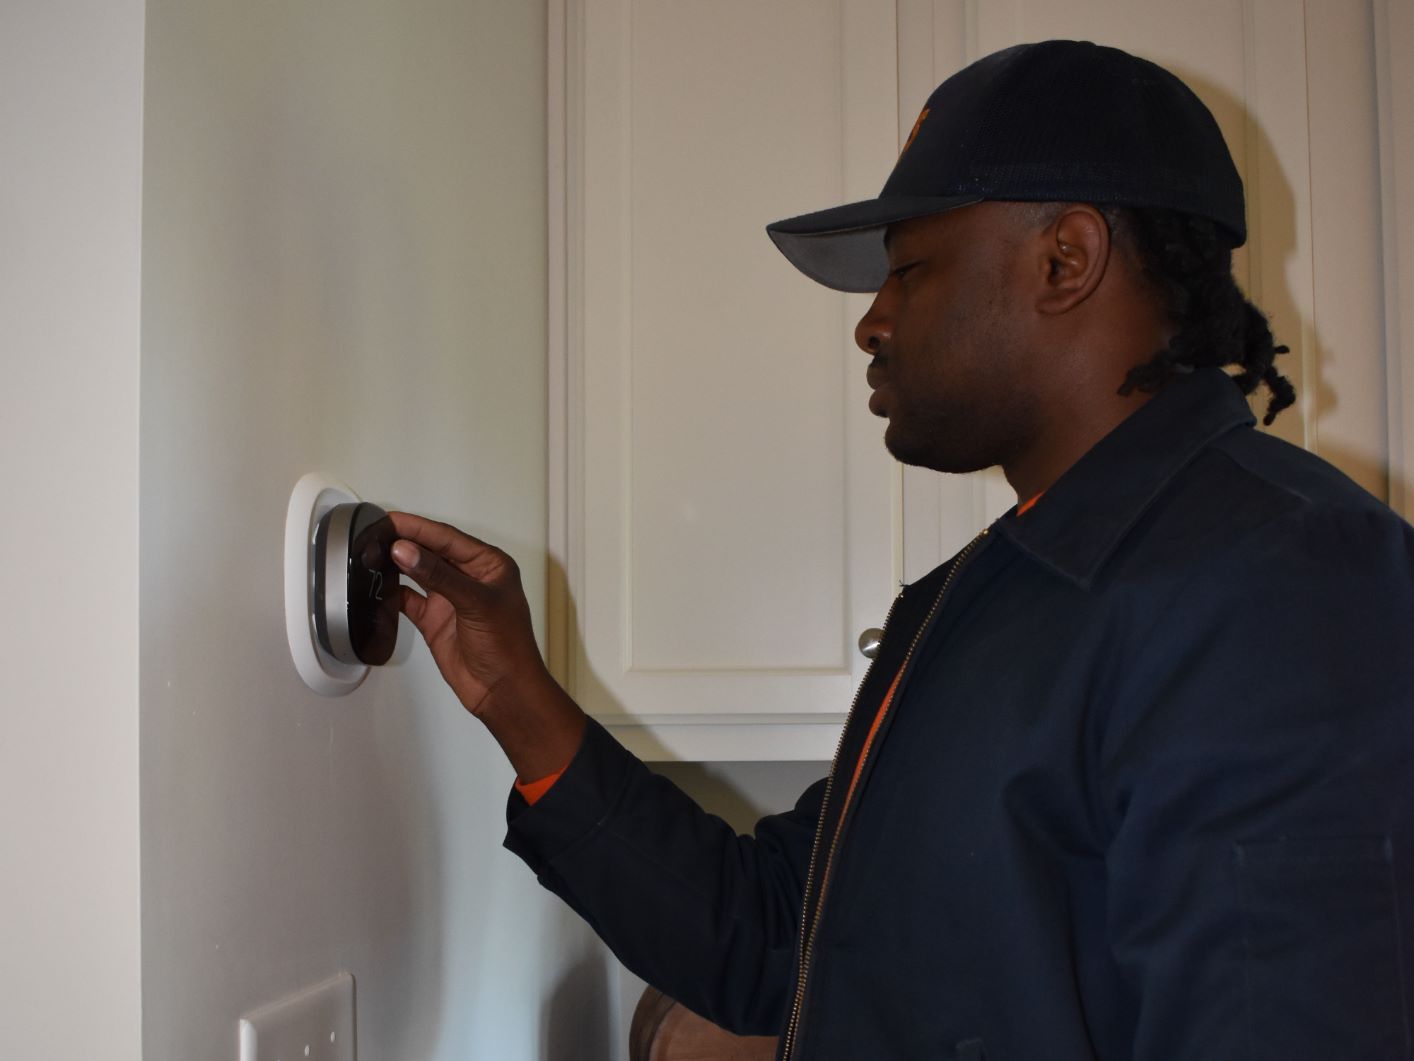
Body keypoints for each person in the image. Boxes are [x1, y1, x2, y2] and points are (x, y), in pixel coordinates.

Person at [389, 40, 1414, 1061]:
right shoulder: (987, 595)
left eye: (910, 270)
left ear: (1066, 258)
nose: (871, 323)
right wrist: (512, 692)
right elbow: (775, 933)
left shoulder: (1283, 573)